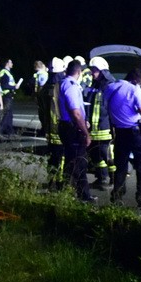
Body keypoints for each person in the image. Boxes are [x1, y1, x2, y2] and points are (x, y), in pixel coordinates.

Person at [105, 69, 141, 209]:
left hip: (119, 132)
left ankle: (117, 198)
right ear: (135, 80)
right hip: (135, 132)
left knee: (121, 166)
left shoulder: (110, 87)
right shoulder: (134, 89)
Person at [58, 59, 94, 203]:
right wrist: (86, 132)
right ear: (79, 72)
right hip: (73, 128)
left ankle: (67, 192)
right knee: (79, 162)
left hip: (68, 126)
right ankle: (83, 196)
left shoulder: (64, 83)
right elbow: (76, 113)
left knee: (71, 162)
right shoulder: (71, 86)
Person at [85, 57, 116, 190]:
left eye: (95, 70)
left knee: (107, 155)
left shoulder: (110, 86)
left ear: (103, 71)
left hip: (106, 128)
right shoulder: (94, 86)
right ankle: (102, 178)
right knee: (96, 155)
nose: (92, 73)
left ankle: (114, 179)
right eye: (92, 70)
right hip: (94, 129)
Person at [37, 57, 67, 191]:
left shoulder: (44, 89)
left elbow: (41, 111)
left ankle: (51, 182)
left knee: (52, 158)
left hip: (49, 129)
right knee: (62, 157)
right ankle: (60, 184)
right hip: (61, 128)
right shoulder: (62, 87)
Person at [0, 58, 18, 138]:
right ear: (7, 63)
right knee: (7, 114)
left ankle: (10, 132)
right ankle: (0, 131)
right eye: (11, 62)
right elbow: (3, 85)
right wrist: (14, 86)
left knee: (9, 114)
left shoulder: (8, 72)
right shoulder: (4, 73)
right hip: (6, 95)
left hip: (9, 95)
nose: (12, 63)